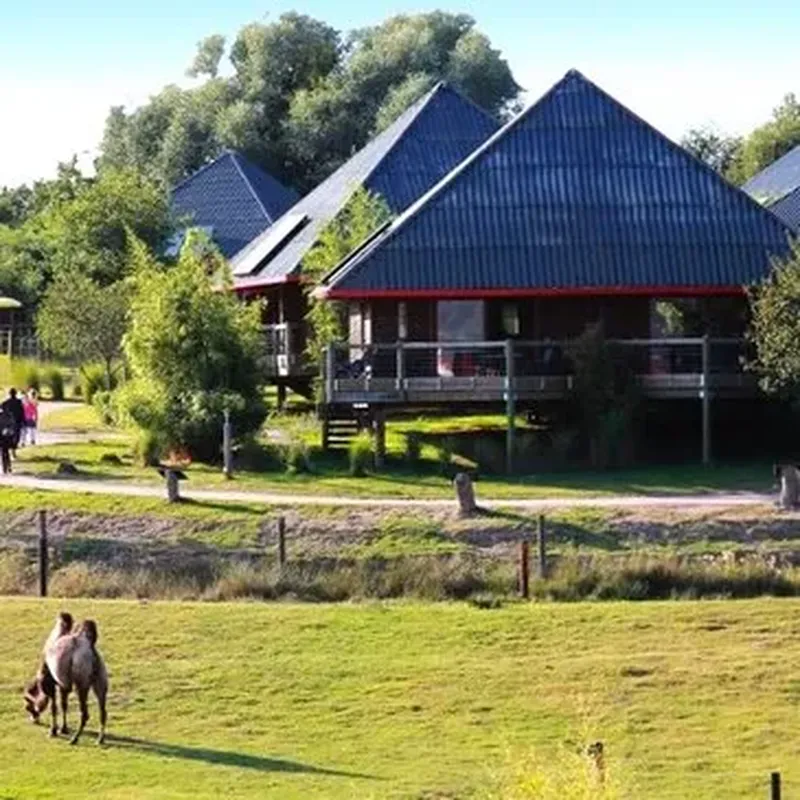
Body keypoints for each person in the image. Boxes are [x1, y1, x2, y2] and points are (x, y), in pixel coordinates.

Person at [1, 388, 24, 456]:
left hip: (8, 422)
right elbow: (22, 412)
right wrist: (23, 420)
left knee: (8, 435)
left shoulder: (6, 402)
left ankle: (9, 449)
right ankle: (13, 450)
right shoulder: (19, 402)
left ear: (10, 394)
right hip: (17, 422)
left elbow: (1, 408)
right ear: (15, 393)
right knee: (16, 436)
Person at [0, 404, 14, 474]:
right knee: (5, 452)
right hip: (6, 436)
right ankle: (7, 466)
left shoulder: (8, 415)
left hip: (5, 436)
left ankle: (6, 467)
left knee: (4, 452)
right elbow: (12, 425)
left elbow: (12, 425)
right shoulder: (10, 415)